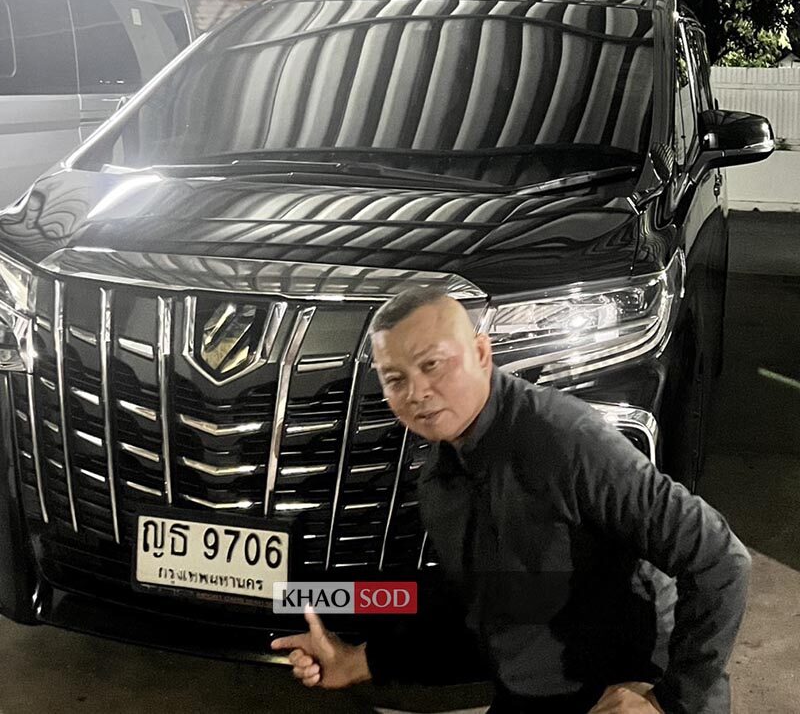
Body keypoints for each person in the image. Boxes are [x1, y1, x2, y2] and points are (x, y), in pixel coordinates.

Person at [271, 286, 751, 714]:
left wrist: (668, 701)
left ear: (482, 353)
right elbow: (478, 615)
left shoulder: (564, 440)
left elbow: (720, 558)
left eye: (432, 364)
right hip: (536, 693)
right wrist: (359, 660)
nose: (416, 392)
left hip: (629, 687)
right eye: (395, 379)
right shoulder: (442, 477)